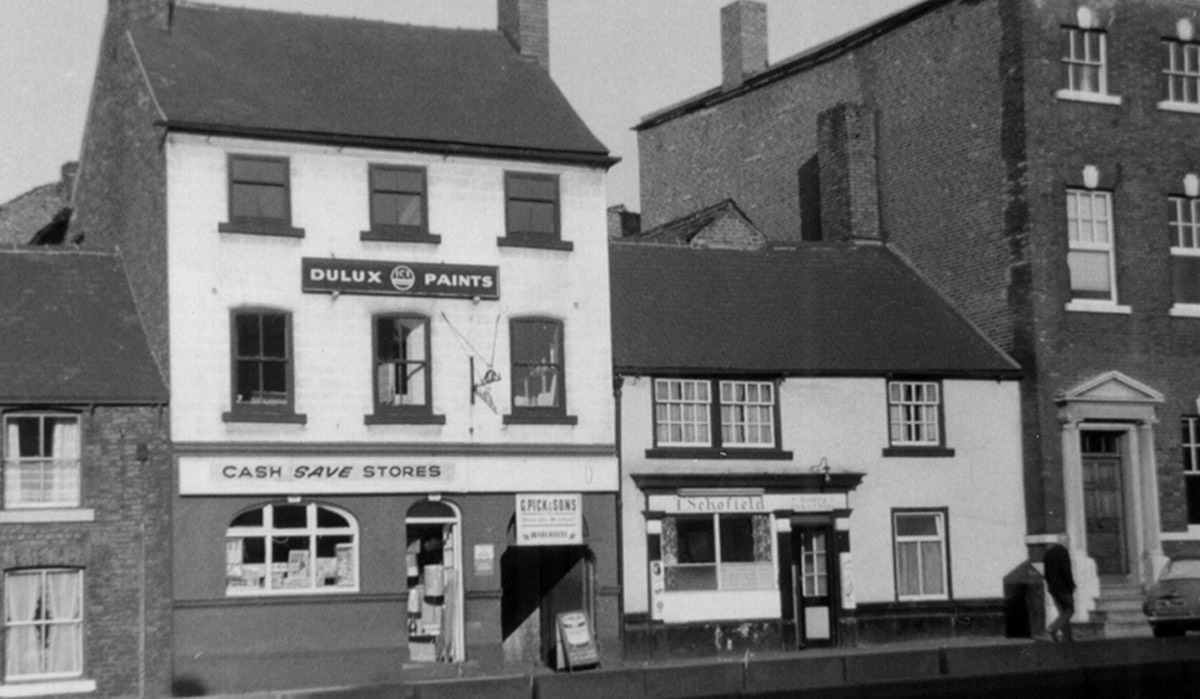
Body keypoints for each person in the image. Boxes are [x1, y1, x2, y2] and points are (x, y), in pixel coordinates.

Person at [1043, 540, 1076, 642]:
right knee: (1070, 610)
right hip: (1063, 587)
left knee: (1062, 612)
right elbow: (1066, 571)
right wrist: (1071, 584)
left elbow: (1046, 574)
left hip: (1052, 588)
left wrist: (1050, 586)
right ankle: (1052, 628)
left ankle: (1067, 637)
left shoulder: (1047, 553)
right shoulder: (1063, 551)